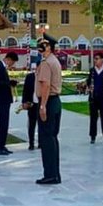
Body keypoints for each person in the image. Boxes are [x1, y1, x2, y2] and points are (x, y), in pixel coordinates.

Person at [35, 38, 63, 185]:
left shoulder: (46, 63)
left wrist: (42, 106)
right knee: (52, 138)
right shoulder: (55, 61)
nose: (40, 46)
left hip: (48, 102)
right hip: (55, 102)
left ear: (49, 47)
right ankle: (55, 173)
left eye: (43, 44)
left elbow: (45, 85)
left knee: (46, 139)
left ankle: (50, 174)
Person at [0, 52, 18, 155]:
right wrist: (9, 83)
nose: (12, 64)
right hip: (2, 99)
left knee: (5, 123)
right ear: (8, 59)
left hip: (5, 99)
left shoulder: (3, 68)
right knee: (3, 123)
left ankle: (2, 145)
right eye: (12, 62)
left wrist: (10, 82)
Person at [20, 49, 40, 150]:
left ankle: (41, 142)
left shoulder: (43, 77)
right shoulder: (30, 77)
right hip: (31, 103)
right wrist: (24, 102)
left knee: (41, 124)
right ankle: (31, 143)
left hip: (41, 104)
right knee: (31, 124)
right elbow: (25, 91)